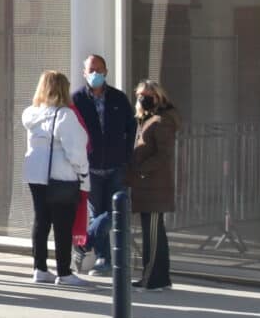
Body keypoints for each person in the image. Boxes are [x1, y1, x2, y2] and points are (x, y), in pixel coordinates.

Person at [21, 70, 90, 287]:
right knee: (63, 224)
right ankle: (63, 271)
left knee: (41, 221)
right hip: (61, 175)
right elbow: (76, 151)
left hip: (35, 174)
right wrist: (84, 174)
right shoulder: (64, 115)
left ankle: (39, 268)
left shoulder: (31, 114)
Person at [73, 54, 137, 278]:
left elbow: (131, 128)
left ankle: (88, 242)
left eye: (99, 69)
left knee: (115, 213)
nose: (95, 74)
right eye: (91, 70)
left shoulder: (119, 98)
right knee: (96, 213)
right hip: (91, 168)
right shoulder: (77, 99)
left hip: (116, 165)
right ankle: (103, 259)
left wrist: (126, 155)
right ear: (84, 73)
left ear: (106, 71)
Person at [130, 80, 180, 290]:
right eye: (140, 94)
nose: (143, 98)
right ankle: (161, 278)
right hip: (147, 186)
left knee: (152, 236)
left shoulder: (161, 120)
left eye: (148, 94)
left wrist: (140, 169)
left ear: (158, 96)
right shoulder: (147, 119)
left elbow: (163, 155)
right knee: (155, 233)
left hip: (154, 186)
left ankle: (152, 278)